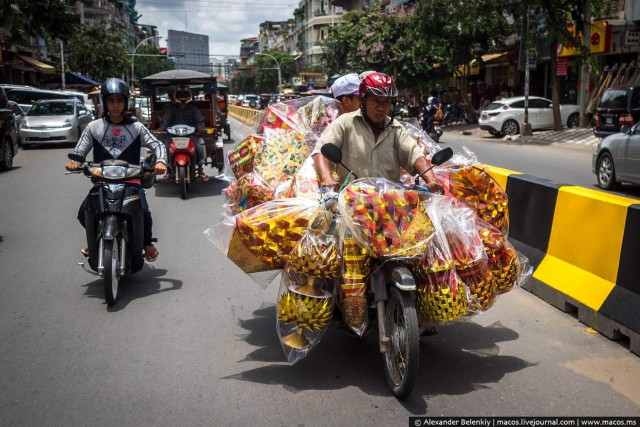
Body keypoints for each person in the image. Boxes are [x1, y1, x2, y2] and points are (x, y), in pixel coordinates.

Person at [65, 78, 167, 262]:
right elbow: (79, 151)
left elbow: (158, 145)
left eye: (119, 101)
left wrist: (161, 162)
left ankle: (146, 244)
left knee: (143, 212)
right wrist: (74, 162)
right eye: (111, 101)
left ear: (126, 102)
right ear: (104, 102)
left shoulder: (136, 127)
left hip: (131, 180)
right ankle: (95, 238)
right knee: (84, 212)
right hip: (102, 181)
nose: (115, 105)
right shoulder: (94, 127)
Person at [312, 72, 442, 193]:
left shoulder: (396, 129)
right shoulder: (344, 123)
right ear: (363, 100)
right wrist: (327, 178)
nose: (381, 107)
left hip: (391, 204)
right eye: (375, 100)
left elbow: (415, 155)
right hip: (351, 202)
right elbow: (321, 152)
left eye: (386, 101)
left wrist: (432, 180)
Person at [160, 84, 208, 181]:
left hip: (190, 135)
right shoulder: (171, 109)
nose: (182, 96)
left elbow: (200, 121)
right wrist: (162, 127)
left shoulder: (193, 109)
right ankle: (168, 169)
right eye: (180, 94)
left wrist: (200, 127)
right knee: (165, 146)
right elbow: (165, 121)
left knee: (198, 146)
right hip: (173, 135)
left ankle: (200, 169)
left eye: (185, 94)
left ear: (189, 95)